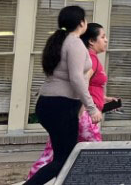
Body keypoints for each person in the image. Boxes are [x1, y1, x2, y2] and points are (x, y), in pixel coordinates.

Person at [26, 23, 116, 180]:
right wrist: (87, 109)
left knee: (58, 153)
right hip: (85, 116)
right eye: (102, 37)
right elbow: (82, 83)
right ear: (91, 41)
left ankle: (37, 175)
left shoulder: (89, 58)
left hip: (77, 112)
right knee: (92, 153)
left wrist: (103, 99)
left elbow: (89, 86)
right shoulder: (90, 59)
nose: (106, 40)